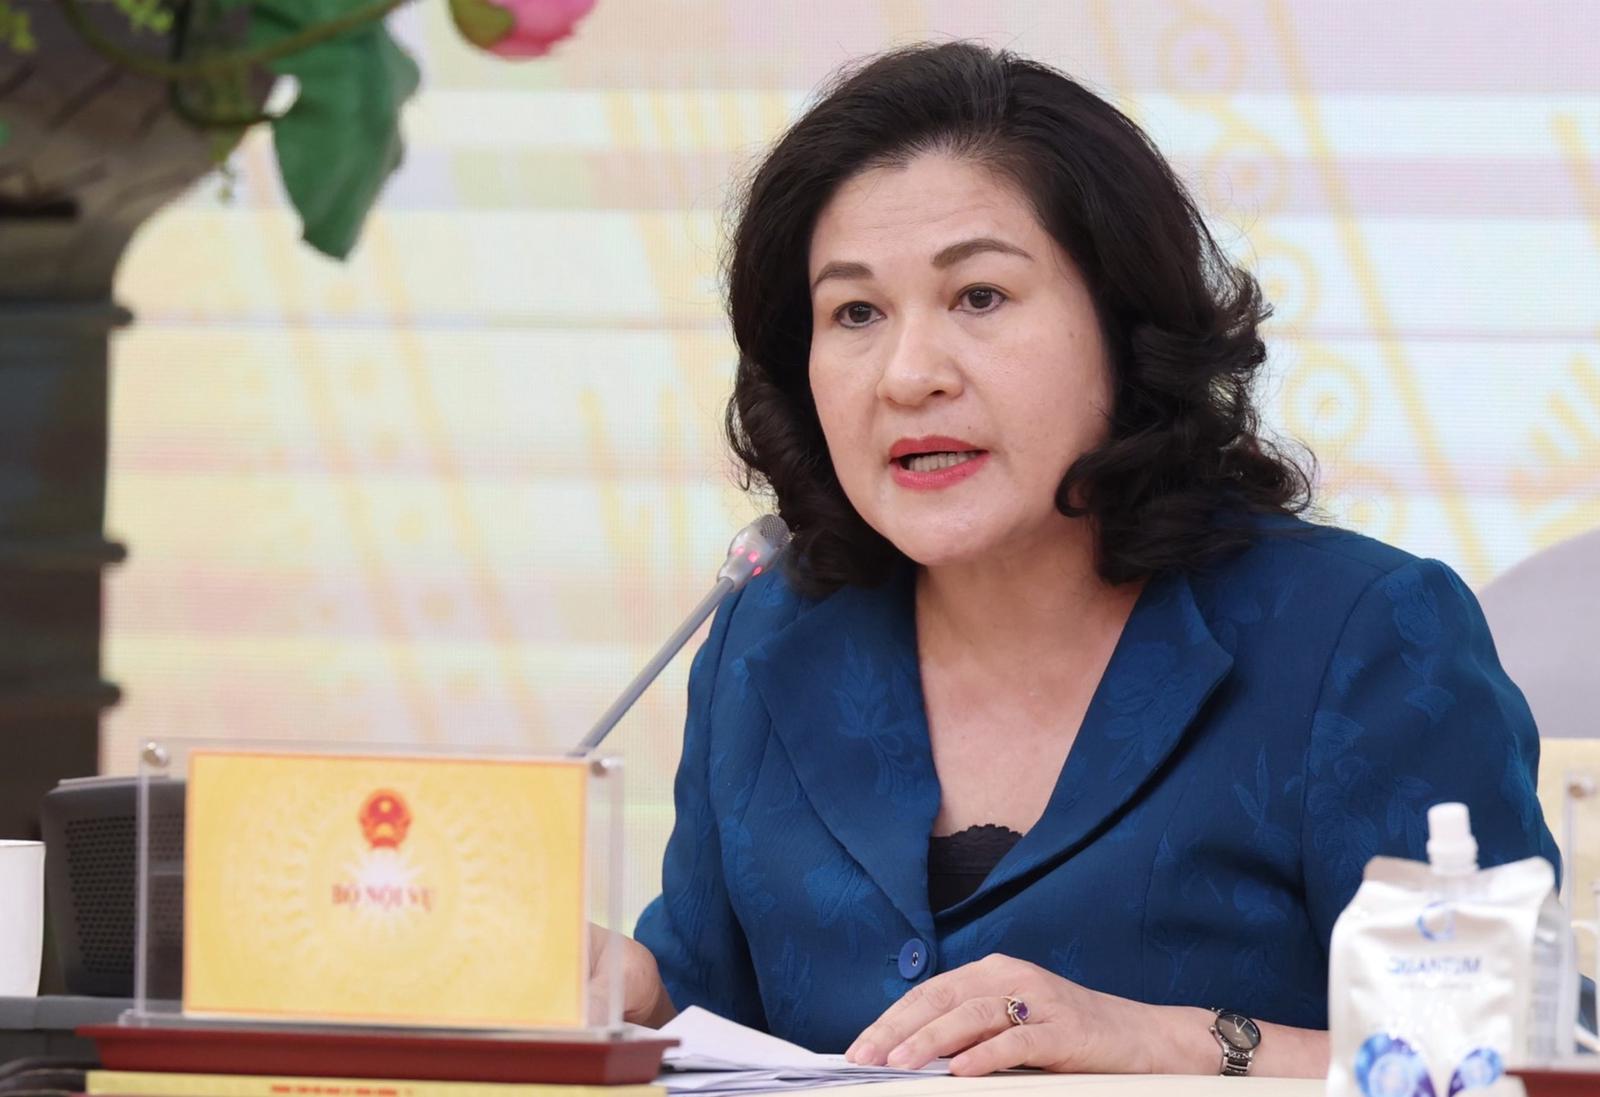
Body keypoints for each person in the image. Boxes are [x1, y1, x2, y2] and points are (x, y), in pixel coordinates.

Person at [587, 41, 1559, 1078]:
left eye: (979, 296)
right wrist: (636, 999)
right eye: (855, 312)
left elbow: (1518, 1060)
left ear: (1122, 324)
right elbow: (714, 1019)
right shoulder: (766, 633)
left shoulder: (1359, 637)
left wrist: (1169, 1041)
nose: (908, 375)